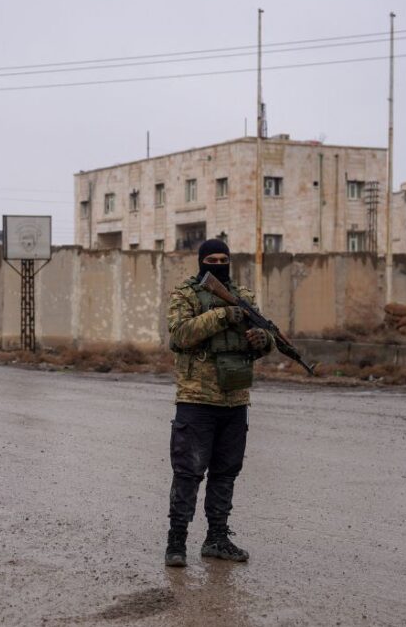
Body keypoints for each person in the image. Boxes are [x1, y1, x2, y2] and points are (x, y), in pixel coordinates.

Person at [163, 239, 273, 567]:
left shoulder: (244, 296)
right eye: (211, 259)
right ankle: (176, 542)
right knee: (188, 472)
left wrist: (262, 340)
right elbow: (180, 335)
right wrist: (223, 315)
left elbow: (263, 337)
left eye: (224, 259)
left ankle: (217, 539)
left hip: (235, 399)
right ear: (201, 262)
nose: (218, 264)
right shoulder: (186, 295)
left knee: (225, 473)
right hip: (196, 398)